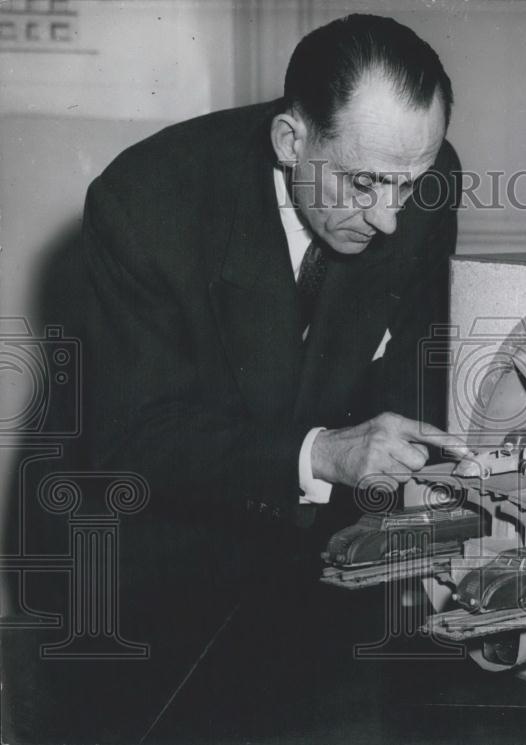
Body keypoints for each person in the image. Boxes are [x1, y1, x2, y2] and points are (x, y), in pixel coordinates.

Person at [6, 14, 465, 742]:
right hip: (152, 579)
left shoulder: (416, 180)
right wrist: (321, 453)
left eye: (409, 185)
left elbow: (403, 377)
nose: (388, 217)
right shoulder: (146, 201)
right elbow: (137, 433)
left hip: (317, 572)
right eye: (365, 184)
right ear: (291, 141)